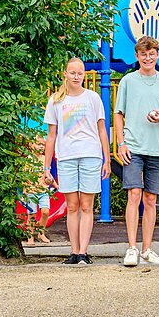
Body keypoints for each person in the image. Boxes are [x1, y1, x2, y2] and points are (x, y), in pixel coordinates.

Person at [113, 36, 159, 267]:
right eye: (143, 54)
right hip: (133, 145)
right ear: (137, 56)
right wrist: (121, 143)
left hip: (157, 147)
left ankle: (147, 249)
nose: (147, 58)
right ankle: (131, 247)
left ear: (157, 55)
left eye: (151, 54)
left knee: (151, 198)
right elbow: (118, 113)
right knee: (134, 194)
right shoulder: (127, 81)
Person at [41, 57, 109, 264]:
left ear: (84, 75)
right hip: (66, 156)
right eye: (72, 72)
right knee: (72, 205)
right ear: (65, 74)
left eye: (80, 73)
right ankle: (73, 251)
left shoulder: (93, 98)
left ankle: (84, 253)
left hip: (90, 155)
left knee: (87, 205)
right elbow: (51, 135)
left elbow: (101, 130)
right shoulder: (56, 100)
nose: (76, 76)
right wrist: (46, 166)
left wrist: (106, 159)